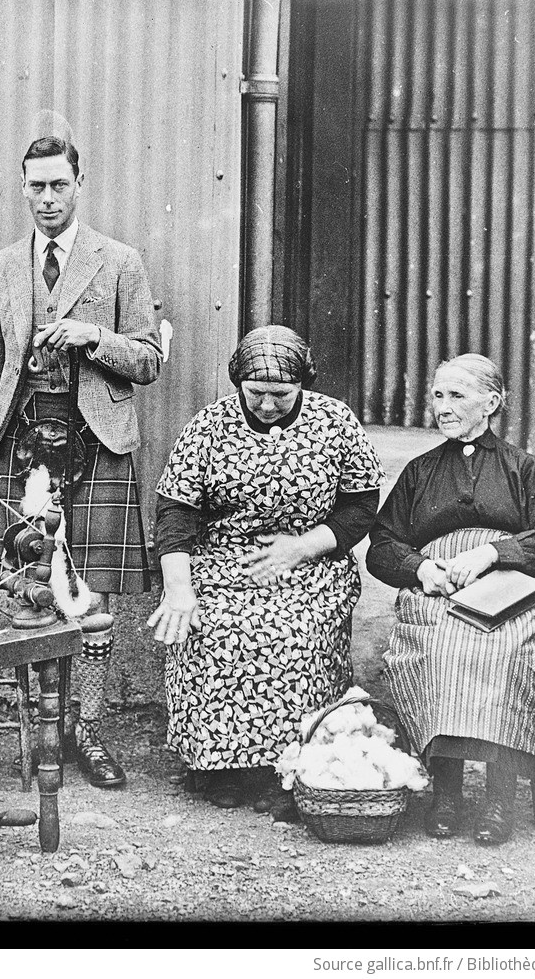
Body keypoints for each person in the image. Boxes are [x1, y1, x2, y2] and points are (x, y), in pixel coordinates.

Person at [0, 136, 163, 788]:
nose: (48, 199)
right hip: (25, 443)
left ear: (80, 182)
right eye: (37, 187)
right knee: (31, 586)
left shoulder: (119, 262)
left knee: (94, 600)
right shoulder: (2, 266)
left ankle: (85, 727)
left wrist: (93, 337)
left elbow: (148, 360)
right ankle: (39, 730)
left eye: (59, 185)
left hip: (98, 440)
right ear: (22, 187)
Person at [147, 325, 384, 816]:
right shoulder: (210, 425)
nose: (269, 406)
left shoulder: (335, 422)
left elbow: (361, 505)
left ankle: (297, 765)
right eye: (256, 395)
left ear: (304, 383)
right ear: (239, 385)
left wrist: (300, 548)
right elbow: (175, 511)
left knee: (298, 628)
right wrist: (178, 589)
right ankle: (220, 767)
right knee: (213, 625)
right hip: (223, 559)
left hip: (311, 559)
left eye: (282, 394)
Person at [366, 353, 535, 845]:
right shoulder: (420, 472)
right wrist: (420, 568)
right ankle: (446, 793)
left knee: (503, 652)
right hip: (438, 591)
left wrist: (494, 552)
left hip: (511, 591)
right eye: (437, 395)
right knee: (440, 649)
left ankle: (500, 797)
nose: (442, 406)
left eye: (456, 395)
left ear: (492, 402)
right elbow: (383, 544)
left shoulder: (523, 470)